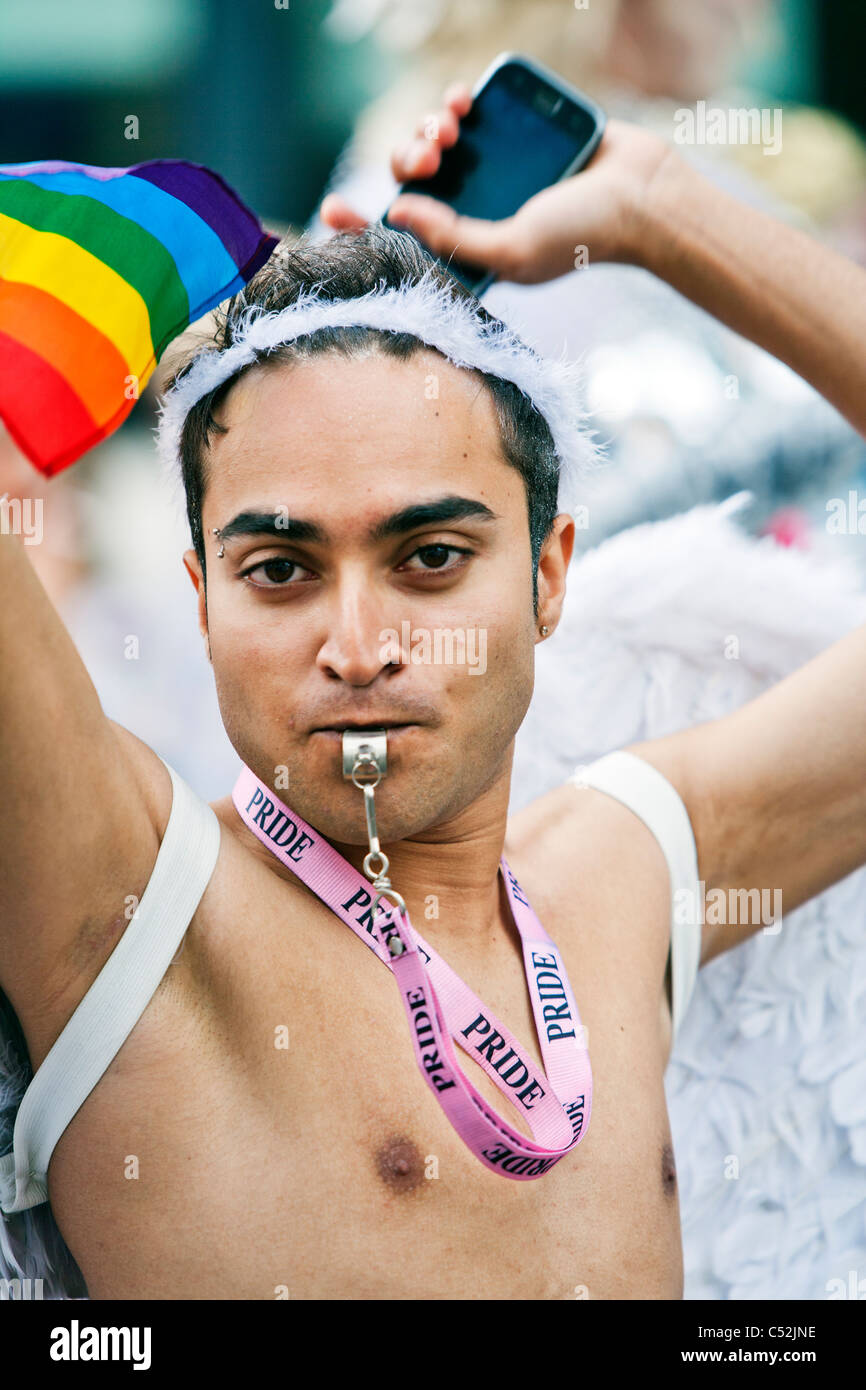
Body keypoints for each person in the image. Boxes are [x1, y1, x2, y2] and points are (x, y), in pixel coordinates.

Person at [1, 89, 865, 1302]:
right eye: (281, 570)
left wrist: (660, 210)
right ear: (200, 598)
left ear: (548, 572)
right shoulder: (130, 908)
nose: (357, 647)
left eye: (429, 558)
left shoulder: (625, 874)